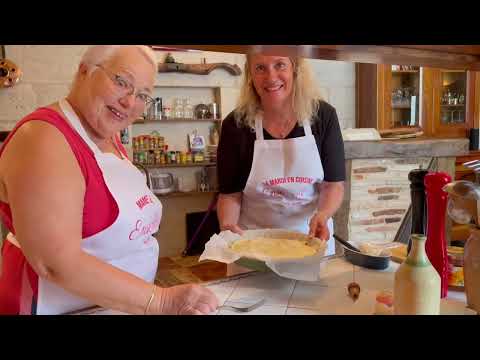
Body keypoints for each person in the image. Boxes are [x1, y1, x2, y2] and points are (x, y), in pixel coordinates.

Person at [0, 45, 218, 315]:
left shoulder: (108, 137)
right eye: (121, 82)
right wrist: (161, 301)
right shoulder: (43, 139)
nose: (129, 102)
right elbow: (53, 262)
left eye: (142, 95)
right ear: (84, 71)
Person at [217, 53, 346, 264]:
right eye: (260, 68)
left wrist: (323, 214)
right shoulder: (236, 124)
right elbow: (230, 194)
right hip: (253, 247)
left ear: (295, 70)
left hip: (310, 240)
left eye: (280, 65)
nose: (271, 76)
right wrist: (227, 225)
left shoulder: (323, 116)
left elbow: (333, 184)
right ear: (250, 75)